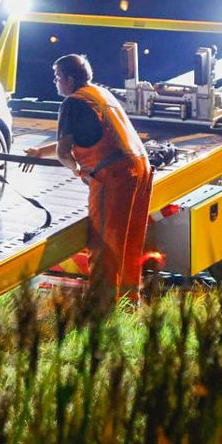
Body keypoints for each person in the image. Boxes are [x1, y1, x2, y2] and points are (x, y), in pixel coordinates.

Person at [27, 54, 153, 304]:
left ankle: (102, 309)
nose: (55, 81)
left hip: (114, 176)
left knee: (104, 243)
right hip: (141, 168)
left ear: (70, 79)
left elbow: (65, 152)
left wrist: (78, 170)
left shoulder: (72, 103)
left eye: (57, 77)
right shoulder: (100, 95)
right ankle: (128, 302)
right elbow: (80, 137)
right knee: (129, 240)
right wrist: (40, 152)